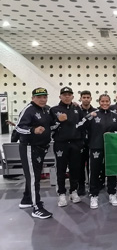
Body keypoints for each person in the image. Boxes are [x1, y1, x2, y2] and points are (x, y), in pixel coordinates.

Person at [76, 94, 117, 209]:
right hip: (95, 147)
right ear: (99, 102)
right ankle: (94, 195)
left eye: (107, 101)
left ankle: (112, 194)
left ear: (110, 102)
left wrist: (112, 135)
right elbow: (79, 127)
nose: (105, 103)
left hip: (111, 148)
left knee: (112, 171)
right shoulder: (93, 114)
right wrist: (88, 116)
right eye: (102, 101)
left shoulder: (115, 115)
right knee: (94, 171)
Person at [15, 87, 53, 219]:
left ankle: (26, 200)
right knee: (33, 178)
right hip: (29, 148)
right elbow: (18, 127)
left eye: (45, 97)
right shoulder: (28, 110)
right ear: (33, 98)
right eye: (39, 97)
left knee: (35, 175)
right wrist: (32, 130)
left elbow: (51, 125)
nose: (43, 99)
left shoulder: (46, 109)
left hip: (41, 148)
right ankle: (37, 207)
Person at [50, 87, 84, 207]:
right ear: (60, 96)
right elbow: (50, 127)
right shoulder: (54, 110)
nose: (67, 96)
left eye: (69, 94)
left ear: (73, 96)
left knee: (75, 169)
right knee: (61, 169)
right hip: (61, 143)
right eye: (64, 95)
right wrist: (58, 121)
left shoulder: (77, 109)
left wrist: (81, 141)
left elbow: (82, 124)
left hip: (75, 143)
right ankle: (61, 194)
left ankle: (73, 191)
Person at [78, 90, 97, 196]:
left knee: (91, 166)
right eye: (84, 97)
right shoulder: (76, 110)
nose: (86, 99)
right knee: (80, 165)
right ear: (80, 98)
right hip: (79, 142)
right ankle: (80, 186)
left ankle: (91, 186)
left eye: (87, 97)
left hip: (92, 142)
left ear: (91, 98)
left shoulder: (96, 111)